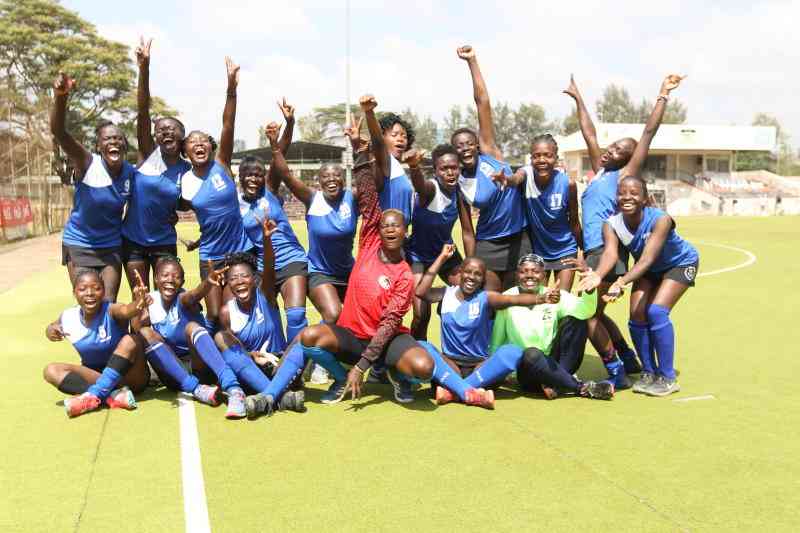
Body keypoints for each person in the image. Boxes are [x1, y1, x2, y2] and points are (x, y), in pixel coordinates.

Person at [298, 98, 439, 406]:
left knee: (415, 309)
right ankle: (371, 365)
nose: (400, 138)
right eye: (394, 133)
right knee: (382, 310)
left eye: (404, 134)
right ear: (383, 138)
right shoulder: (385, 160)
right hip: (380, 241)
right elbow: (375, 147)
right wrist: (370, 116)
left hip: (402, 246)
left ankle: (399, 367)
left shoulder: (400, 166)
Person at [563, 73, 684, 386]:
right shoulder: (602, 171)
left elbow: (647, 133)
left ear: (629, 160)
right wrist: (578, 99)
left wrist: (663, 94)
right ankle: (628, 358)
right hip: (593, 251)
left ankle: (617, 370)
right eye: (613, 146)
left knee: (586, 314)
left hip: (607, 253)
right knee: (597, 313)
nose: (610, 150)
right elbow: (589, 134)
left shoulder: (623, 176)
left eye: (619, 149)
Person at [577, 176, 699, 397]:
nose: (627, 197)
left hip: (679, 263)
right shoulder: (611, 224)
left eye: (634, 193)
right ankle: (649, 372)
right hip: (650, 270)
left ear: (645, 198)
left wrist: (621, 282)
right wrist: (598, 275)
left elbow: (646, 260)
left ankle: (667, 377)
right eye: (622, 192)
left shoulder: (661, 219)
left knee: (656, 311)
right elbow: (610, 254)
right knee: (636, 316)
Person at [415, 245, 551, 409]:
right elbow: (421, 292)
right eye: (468, 272)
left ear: (482, 279)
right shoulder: (446, 293)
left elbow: (513, 300)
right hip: (450, 366)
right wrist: (442, 258)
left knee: (513, 352)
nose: (471, 277)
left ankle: (454, 391)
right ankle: (469, 393)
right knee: (421, 346)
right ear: (460, 274)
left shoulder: (486, 298)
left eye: (477, 274)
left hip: (480, 370)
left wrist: (541, 298)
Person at [179, 57, 253, 329]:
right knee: (212, 315)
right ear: (186, 152)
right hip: (210, 254)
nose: (198, 145)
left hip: (239, 251)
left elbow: (228, 124)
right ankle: (206, 363)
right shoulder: (184, 181)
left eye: (202, 142)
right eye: (192, 143)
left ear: (210, 147)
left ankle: (245, 361)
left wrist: (231, 87)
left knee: (230, 313)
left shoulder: (221, 164)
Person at [50, 72, 135, 302]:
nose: (113, 142)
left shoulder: (130, 172)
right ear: (98, 146)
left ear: (125, 145)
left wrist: (170, 213)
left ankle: (112, 339)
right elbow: (59, 132)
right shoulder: (88, 163)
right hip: (79, 245)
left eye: (118, 139)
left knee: (108, 304)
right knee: (89, 304)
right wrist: (60, 97)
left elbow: (148, 198)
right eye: (107, 139)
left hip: (111, 247)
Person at [132, 256, 252, 418]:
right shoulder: (150, 301)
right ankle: (196, 389)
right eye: (165, 275)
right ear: (156, 278)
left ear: (182, 282)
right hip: (174, 372)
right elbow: (137, 330)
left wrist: (208, 283)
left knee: (191, 327)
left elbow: (195, 294)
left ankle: (233, 389)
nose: (170, 280)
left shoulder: (184, 299)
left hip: (200, 365)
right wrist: (137, 307)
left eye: (176, 277)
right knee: (145, 333)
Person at [453, 45, 530, 291]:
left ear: (477, 145)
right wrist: (472, 260)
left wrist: (472, 62)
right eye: (458, 146)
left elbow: (482, 102)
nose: (464, 148)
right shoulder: (459, 183)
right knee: (490, 306)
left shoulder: (491, 153)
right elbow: (467, 230)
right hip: (488, 244)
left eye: (468, 144)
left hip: (520, 238)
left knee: (519, 306)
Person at [214, 218, 307, 419]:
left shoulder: (265, 295)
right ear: (228, 284)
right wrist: (252, 356)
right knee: (220, 338)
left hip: (281, 365)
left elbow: (270, 267)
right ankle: (280, 397)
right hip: (254, 370)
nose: (239, 282)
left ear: (254, 279)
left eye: (244, 276)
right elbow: (236, 353)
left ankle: (268, 397)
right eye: (233, 279)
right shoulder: (226, 312)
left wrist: (267, 241)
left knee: (305, 338)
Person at [268, 121, 357, 325]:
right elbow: (287, 175)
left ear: (344, 180)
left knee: (365, 316)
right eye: (326, 176)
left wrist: (358, 144)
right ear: (319, 181)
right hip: (319, 273)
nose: (332, 179)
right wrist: (275, 145)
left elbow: (371, 180)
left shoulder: (352, 199)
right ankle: (309, 348)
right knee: (333, 314)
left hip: (348, 272)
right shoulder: (312, 199)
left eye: (337, 175)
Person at [491, 255, 615, 400]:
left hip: (555, 364)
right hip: (527, 369)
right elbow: (496, 341)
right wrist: (498, 374)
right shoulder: (507, 298)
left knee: (577, 320)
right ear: (517, 274)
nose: (530, 275)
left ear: (544, 275)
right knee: (531, 353)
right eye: (524, 271)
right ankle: (579, 387)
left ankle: (556, 383)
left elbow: (586, 311)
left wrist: (589, 289)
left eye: (535, 271)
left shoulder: (554, 294)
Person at [121, 37, 191, 290]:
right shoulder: (147, 154)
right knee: (140, 299)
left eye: (172, 129)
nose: (166, 133)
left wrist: (175, 211)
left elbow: (187, 203)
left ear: (182, 135)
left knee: (167, 297)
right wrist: (144, 68)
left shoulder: (188, 170)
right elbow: (143, 110)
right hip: (133, 242)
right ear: (154, 136)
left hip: (164, 243)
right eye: (161, 130)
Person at [42, 270, 151, 417]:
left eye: (96, 288)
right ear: (74, 293)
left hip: (130, 378)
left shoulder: (111, 310)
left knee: (131, 340)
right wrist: (51, 330)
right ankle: (110, 396)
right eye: (82, 289)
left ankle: (93, 395)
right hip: (97, 376)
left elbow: (126, 310)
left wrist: (139, 302)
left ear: (104, 291)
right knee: (51, 371)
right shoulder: (68, 316)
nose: (90, 293)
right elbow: (51, 327)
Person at [405, 144, 476, 341]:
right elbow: (420, 185)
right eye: (444, 168)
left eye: (454, 167)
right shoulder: (430, 189)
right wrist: (413, 167)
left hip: (446, 255)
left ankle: (445, 305)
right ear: (435, 171)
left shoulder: (459, 193)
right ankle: (418, 351)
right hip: (418, 255)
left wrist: (470, 262)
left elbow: (468, 232)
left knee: (470, 291)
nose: (450, 172)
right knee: (421, 314)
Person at [503, 134, 581, 290]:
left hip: (565, 249)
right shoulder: (526, 175)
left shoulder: (568, 184)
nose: (542, 160)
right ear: (531, 159)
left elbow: (574, 221)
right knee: (540, 304)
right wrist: (507, 180)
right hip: (538, 252)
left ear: (556, 158)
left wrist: (583, 251)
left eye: (548, 155)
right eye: (536, 156)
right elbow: (516, 178)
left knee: (562, 301)